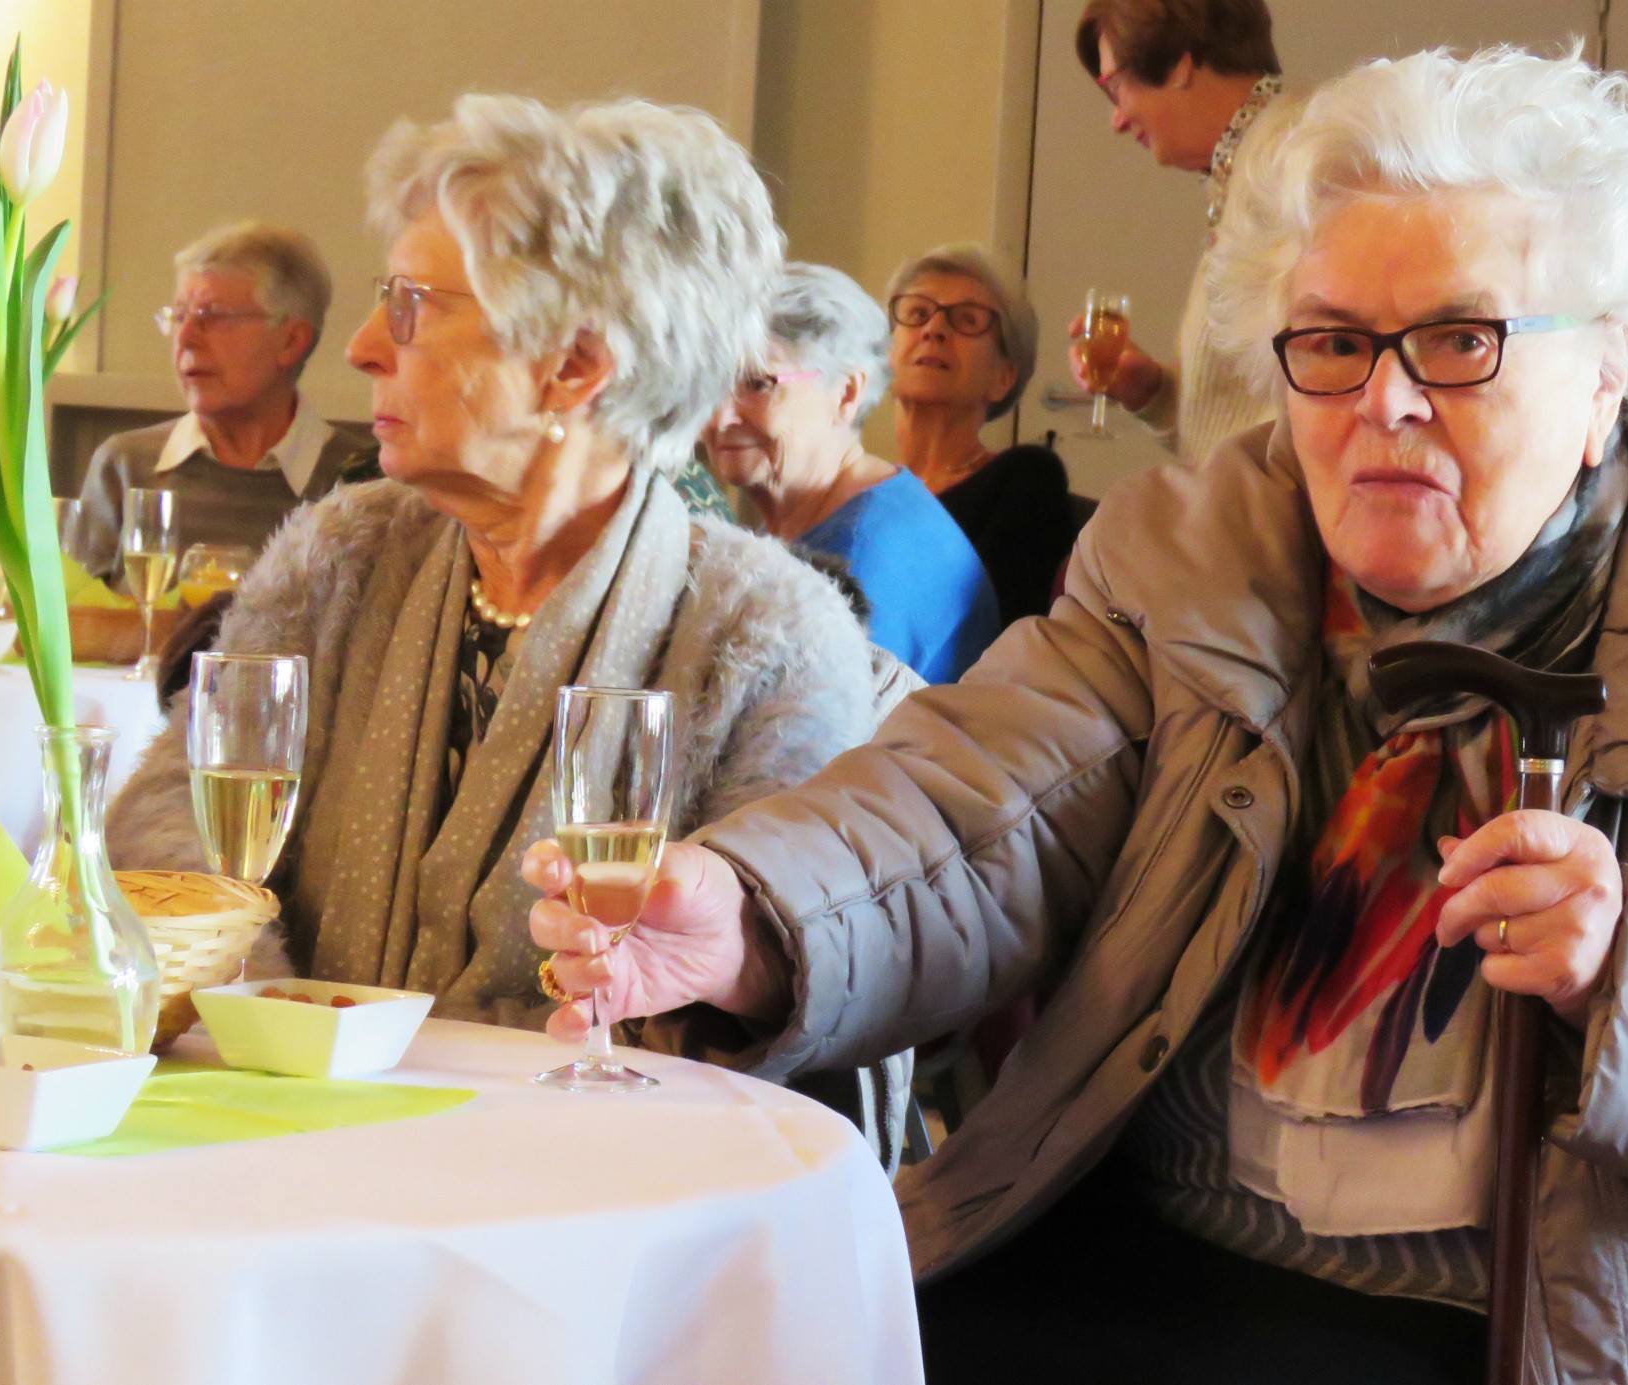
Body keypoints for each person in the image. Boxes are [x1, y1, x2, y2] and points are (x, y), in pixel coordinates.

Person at [528, 47, 1628, 1383]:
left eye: (1459, 340)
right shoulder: (1202, 563)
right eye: (1333, 343)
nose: (1384, 404)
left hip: (1576, 1327)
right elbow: (976, 800)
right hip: (1160, 1262)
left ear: (1606, 375)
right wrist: (755, 905)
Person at [106, 96, 887, 1046]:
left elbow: (760, 995)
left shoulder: (766, 640)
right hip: (287, 1116)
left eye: (408, 306)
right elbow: (168, 821)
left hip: (588, 1167)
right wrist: (290, 1033)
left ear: (572, 367)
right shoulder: (339, 554)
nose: (359, 347)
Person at [702, 262, 999, 684]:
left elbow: (811, 743)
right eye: (714, 383)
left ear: (846, 393)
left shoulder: (856, 564)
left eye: (757, 383)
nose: (721, 416)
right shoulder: (867, 505)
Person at [74, 221, 370, 579]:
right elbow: (77, 622)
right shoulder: (124, 466)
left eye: (212, 318)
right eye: (179, 317)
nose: (185, 338)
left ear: (291, 341)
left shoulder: (358, 482)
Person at [1067, 0, 1282, 469]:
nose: (1117, 120)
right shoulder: (1246, 165)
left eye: (1115, 88)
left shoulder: (1294, 159)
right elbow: (1238, 418)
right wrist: (1154, 394)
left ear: (1180, 62)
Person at [888, 243, 1075, 625]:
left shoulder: (1024, 480)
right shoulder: (858, 487)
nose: (933, 329)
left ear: (1001, 378)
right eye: (918, 313)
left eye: (967, 320)